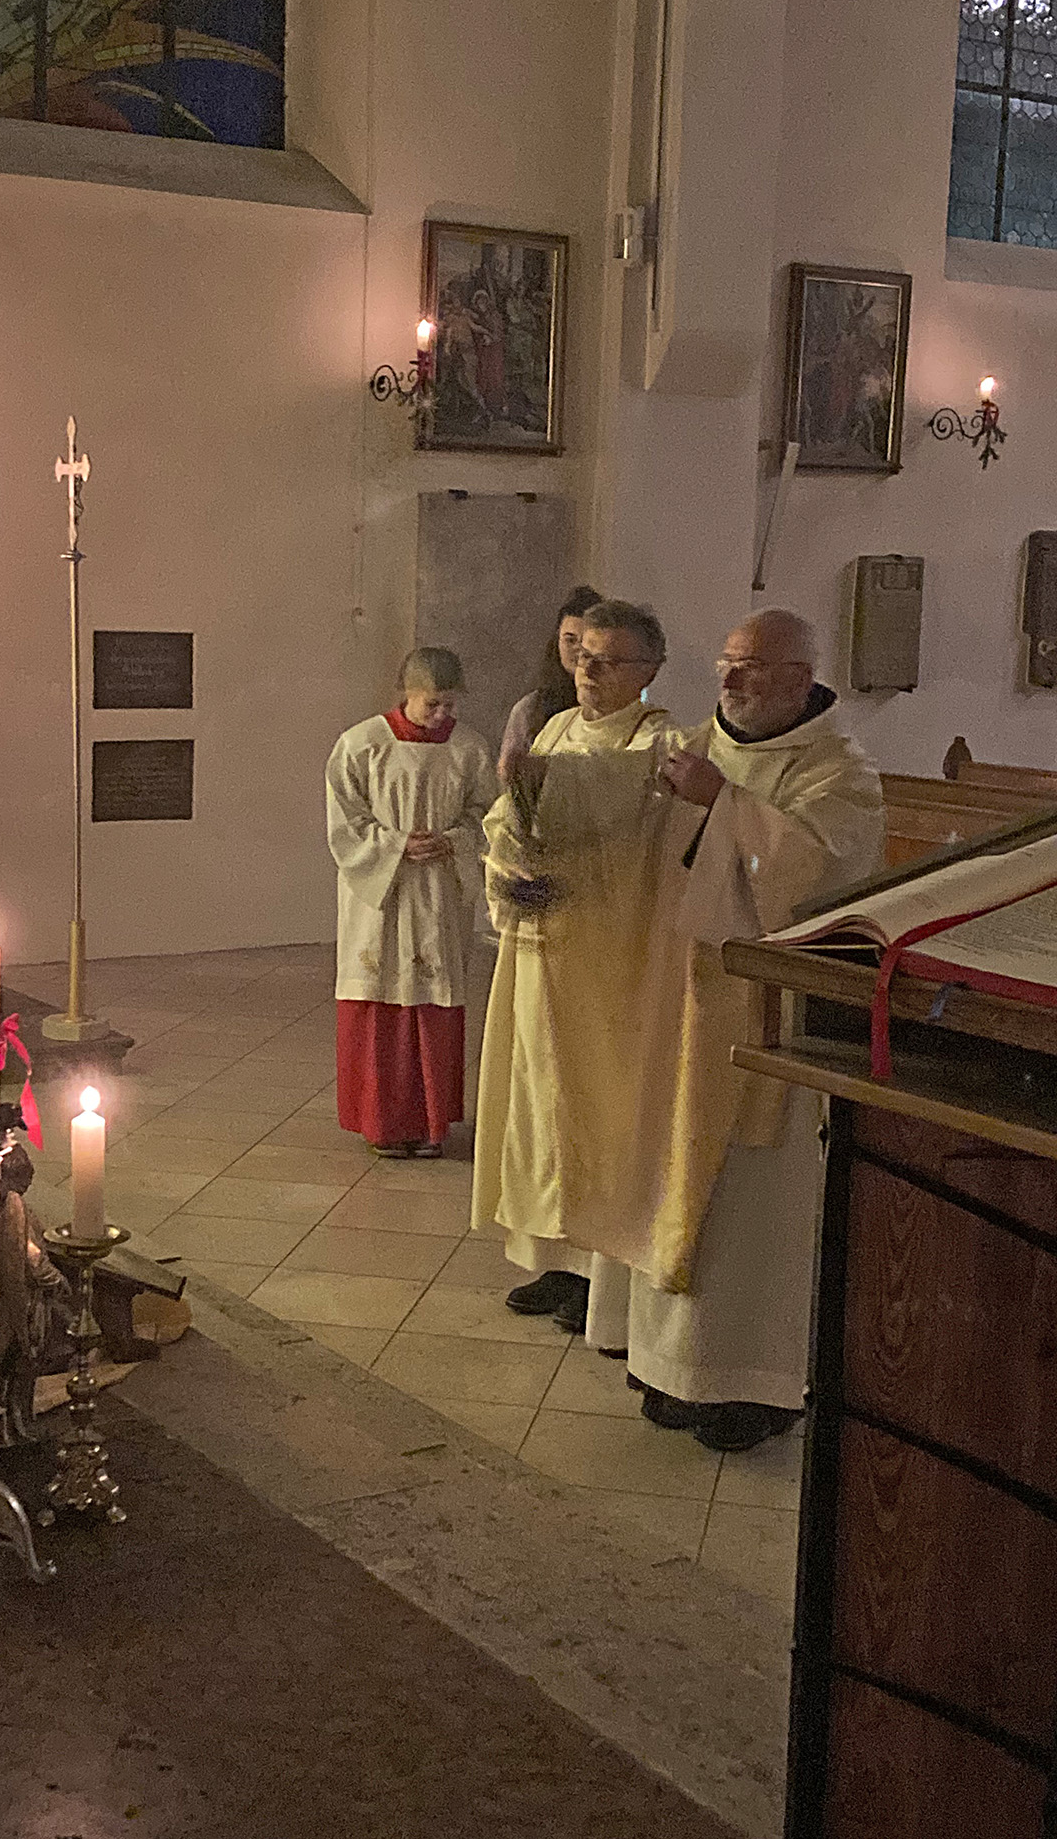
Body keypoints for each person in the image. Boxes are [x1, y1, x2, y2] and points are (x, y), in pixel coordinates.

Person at [501, 607, 886, 1451]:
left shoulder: (838, 773)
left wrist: (726, 809)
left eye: (752, 669)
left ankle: (745, 1389)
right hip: (671, 1002)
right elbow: (620, 827)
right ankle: (668, 1368)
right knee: (661, 1171)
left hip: (762, 1025)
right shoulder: (696, 748)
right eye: (726, 664)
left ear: (801, 677)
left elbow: (818, 873)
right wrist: (531, 795)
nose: (732, 682)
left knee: (743, 1209)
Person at [473, 600, 677, 1335]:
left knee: (594, 1107)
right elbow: (508, 814)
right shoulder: (557, 724)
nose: (587, 670)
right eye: (583, 654)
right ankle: (553, 1259)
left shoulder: (661, 745)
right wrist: (512, 856)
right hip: (543, 946)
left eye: (607, 659)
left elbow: (622, 808)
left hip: (607, 960)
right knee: (537, 1101)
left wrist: (542, 785)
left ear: (648, 671)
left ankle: (596, 1274)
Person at [327, 648, 498, 1160]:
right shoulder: (362, 744)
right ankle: (383, 1122)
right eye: (432, 704)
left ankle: (430, 1123)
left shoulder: (469, 749)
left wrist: (458, 839)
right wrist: (396, 845)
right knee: (380, 1001)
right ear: (407, 693)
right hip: (381, 895)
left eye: (449, 705)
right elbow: (345, 820)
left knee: (435, 1000)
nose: (443, 715)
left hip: (440, 887)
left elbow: (488, 813)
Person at [498, 590, 602, 785]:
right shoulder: (530, 710)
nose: (579, 650)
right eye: (570, 640)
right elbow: (509, 785)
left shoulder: (615, 708)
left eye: (588, 642)